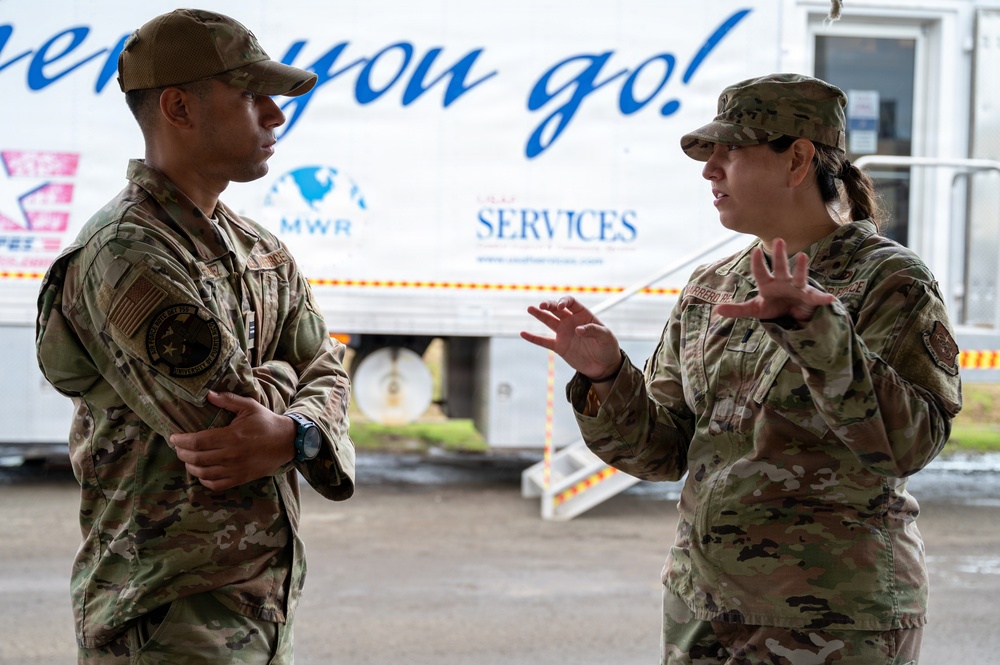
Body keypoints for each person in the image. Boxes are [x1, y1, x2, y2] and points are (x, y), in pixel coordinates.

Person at [522, 73, 962, 664]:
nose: (710, 170)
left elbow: (907, 447)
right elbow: (663, 454)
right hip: (703, 609)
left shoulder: (888, 281)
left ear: (798, 158)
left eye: (730, 151)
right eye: (709, 154)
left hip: (833, 621)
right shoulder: (712, 286)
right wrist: (607, 378)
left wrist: (819, 334)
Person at [35, 9, 355, 664]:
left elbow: (329, 364)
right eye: (250, 95)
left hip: (259, 615)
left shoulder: (261, 248)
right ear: (179, 106)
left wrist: (293, 430)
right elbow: (221, 424)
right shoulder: (128, 253)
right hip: (163, 621)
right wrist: (288, 385)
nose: (275, 115)